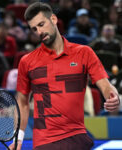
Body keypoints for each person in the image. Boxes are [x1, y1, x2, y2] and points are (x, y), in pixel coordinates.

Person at [9, 2, 120, 150]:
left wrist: (112, 96)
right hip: (44, 142)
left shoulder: (84, 53)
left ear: (53, 19)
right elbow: (22, 102)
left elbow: (104, 84)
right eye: (34, 29)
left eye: (41, 24)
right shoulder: (27, 61)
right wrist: (19, 138)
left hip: (77, 138)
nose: (39, 32)